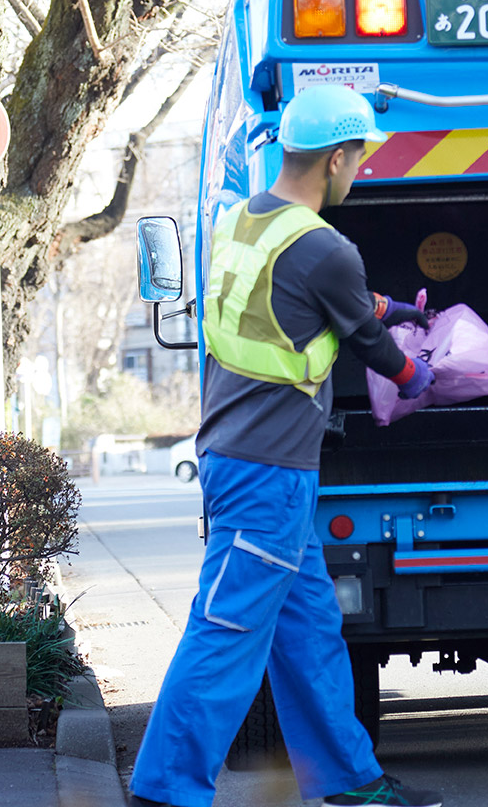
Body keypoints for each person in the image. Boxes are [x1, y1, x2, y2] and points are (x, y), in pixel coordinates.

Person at [129, 84, 443, 807]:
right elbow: (367, 341)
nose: (357, 171)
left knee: (309, 631)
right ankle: (166, 789)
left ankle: (349, 780)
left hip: (252, 457)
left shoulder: (243, 221)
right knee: (227, 628)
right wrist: (415, 371)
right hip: (267, 469)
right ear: (336, 158)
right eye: (357, 158)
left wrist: (392, 305)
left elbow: (307, 299)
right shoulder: (328, 245)